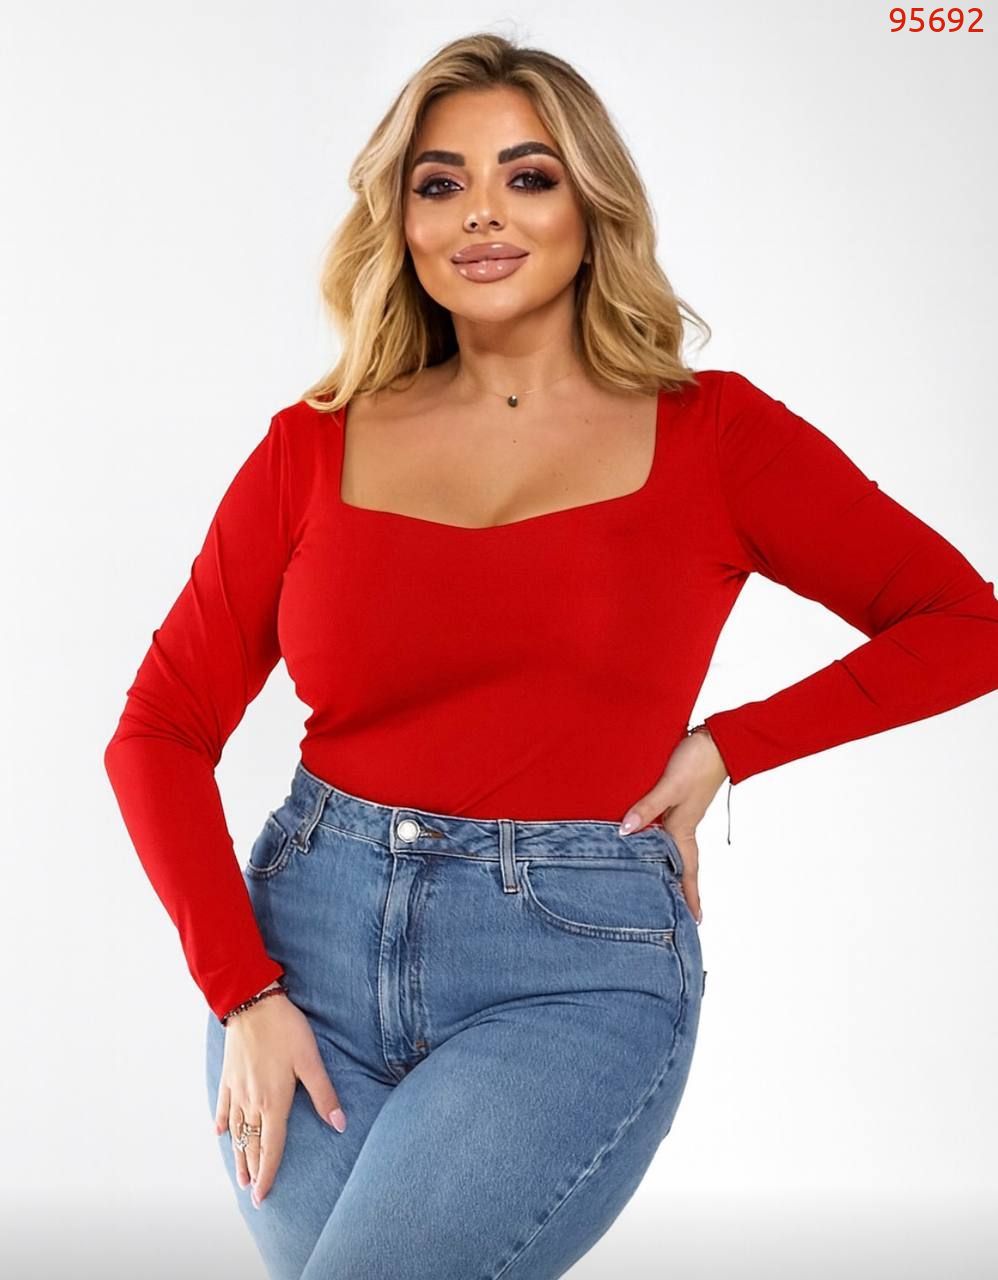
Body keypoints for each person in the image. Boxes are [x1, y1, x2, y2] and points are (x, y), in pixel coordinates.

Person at [102, 30, 998, 1280]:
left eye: (526, 176)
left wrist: (726, 746)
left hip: (570, 971)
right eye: (439, 182)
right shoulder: (310, 446)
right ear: (401, 222)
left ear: (593, 208)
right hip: (304, 954)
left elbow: (965, 624)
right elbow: (156, 730)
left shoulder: (716, 435)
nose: (480, 212)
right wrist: (243, 993)